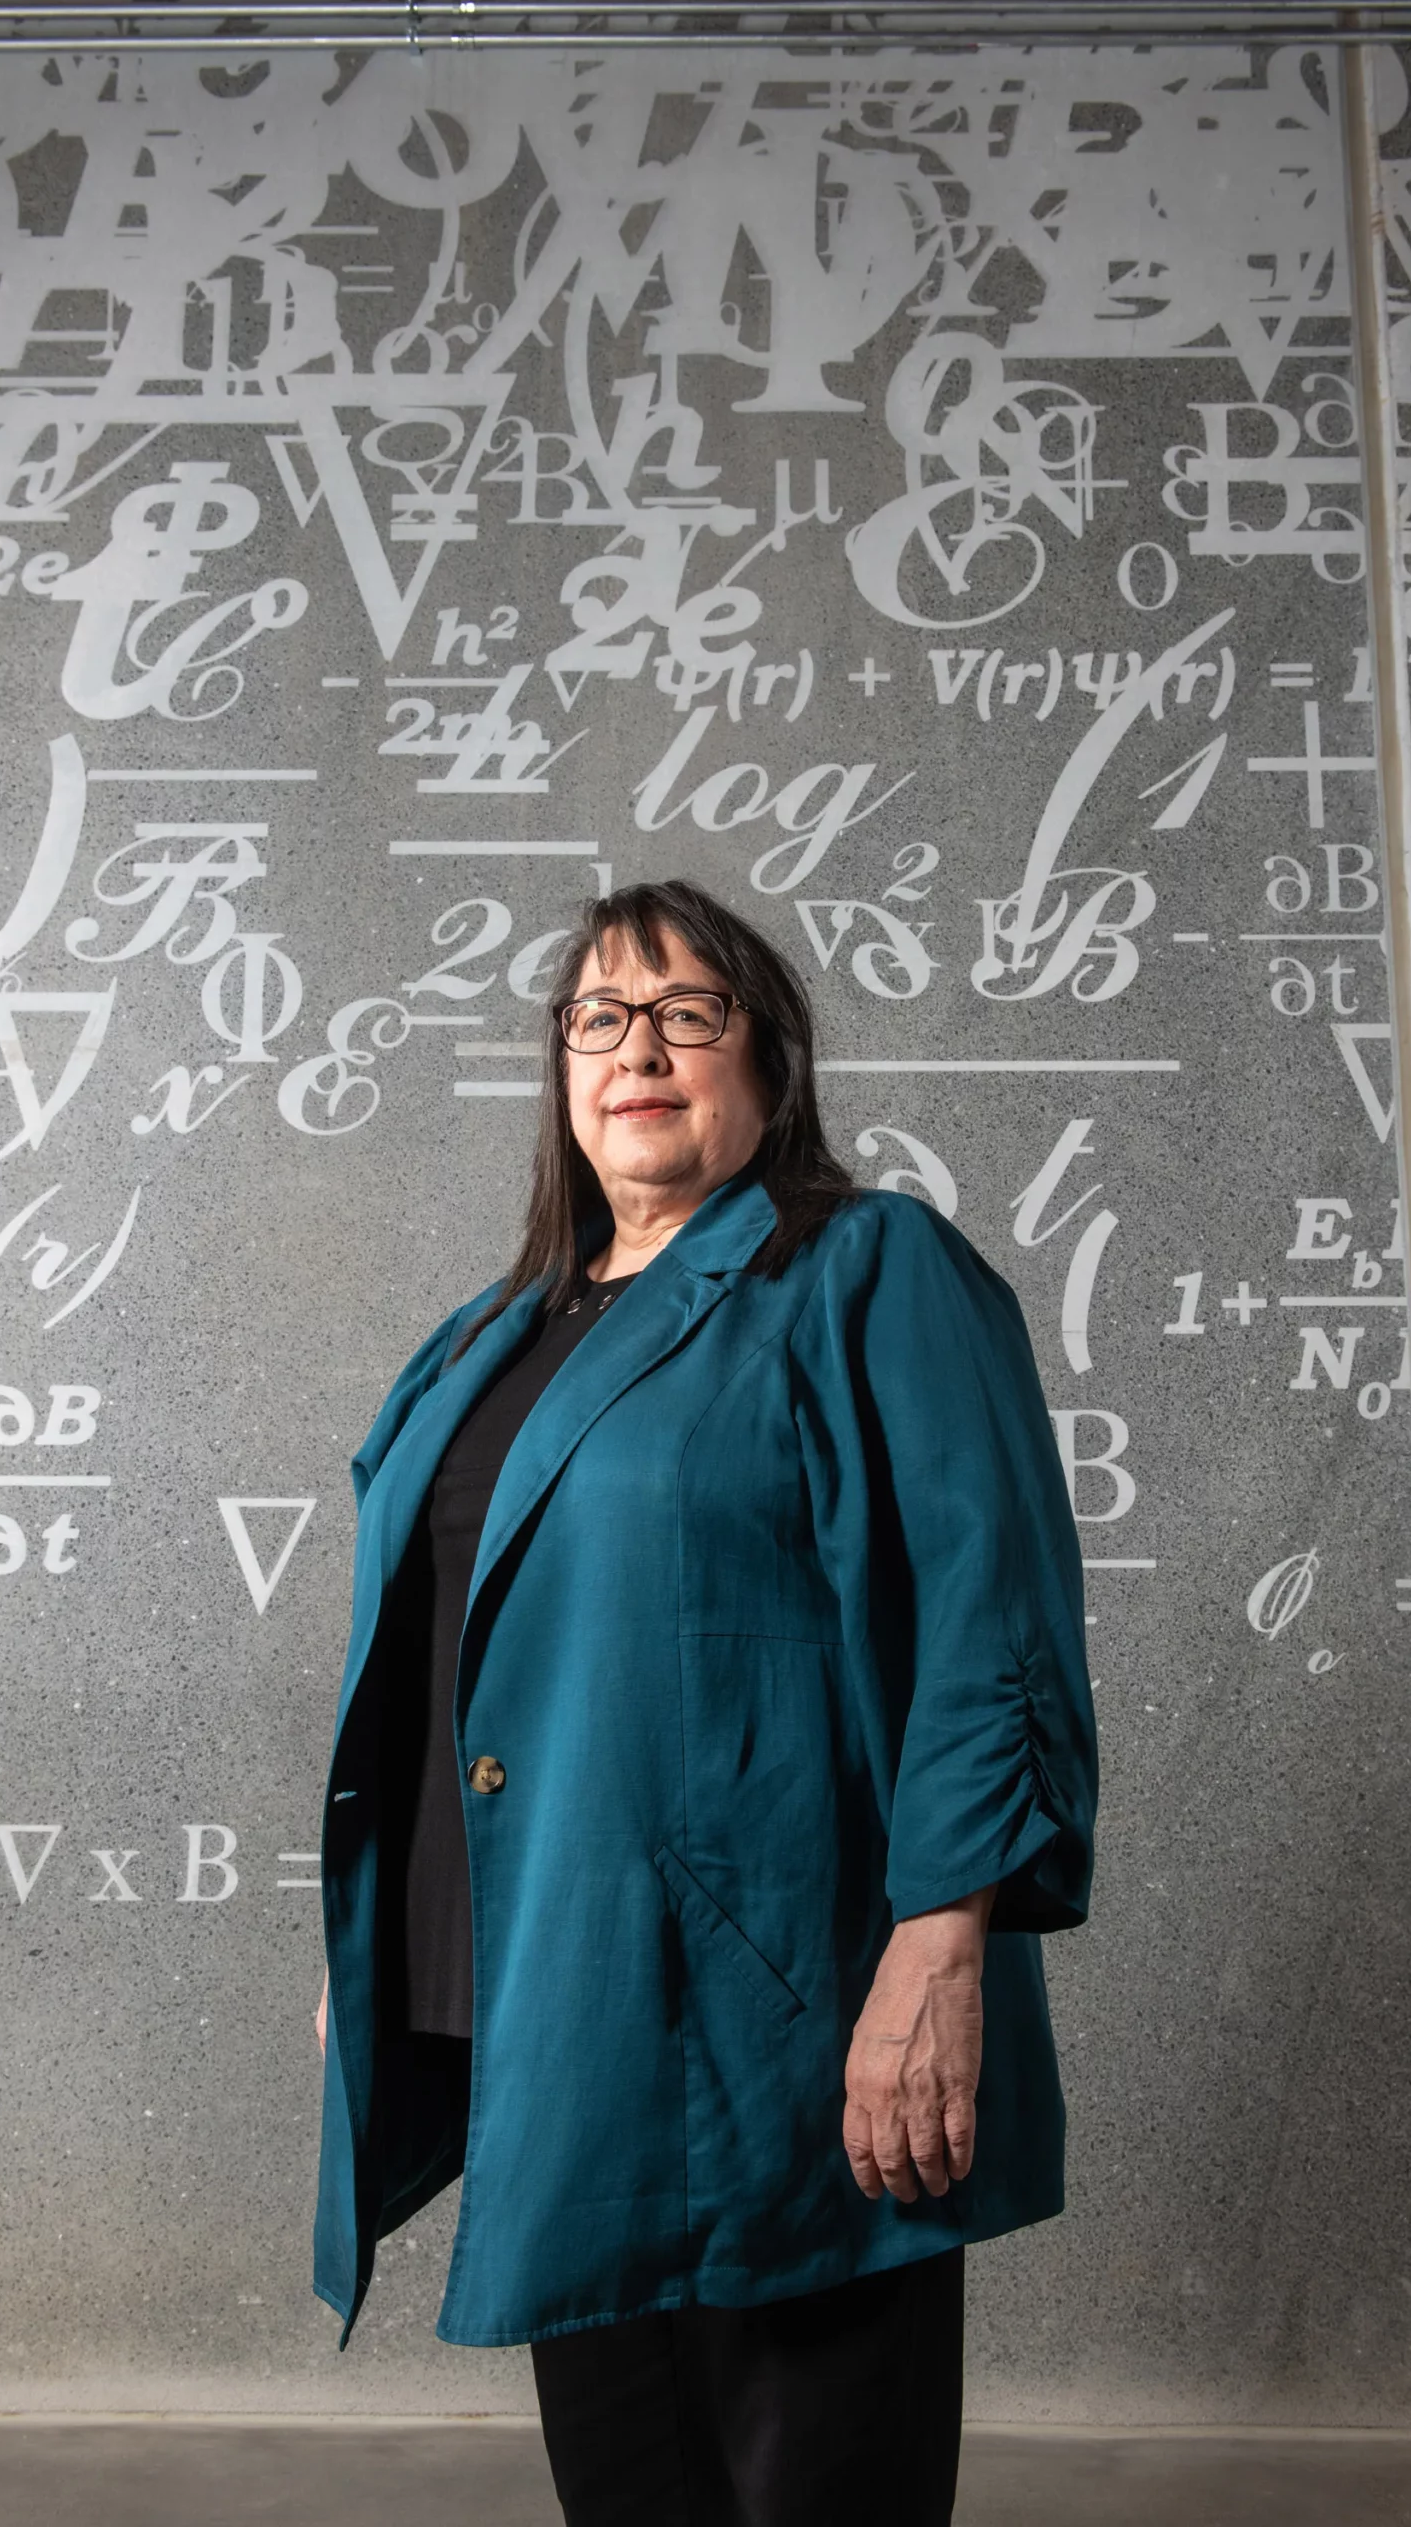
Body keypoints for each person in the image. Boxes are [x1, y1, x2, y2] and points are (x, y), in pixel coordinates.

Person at [313, 879, 1098, 2527]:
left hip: (786, 2005)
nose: (637, 1049)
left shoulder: (862, 1268)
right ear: (559, 1070)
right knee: (631, 2492)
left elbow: (989, 1618)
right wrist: (380, 1944)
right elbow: (436, 1671)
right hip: (551, 2006)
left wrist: (938, 1944)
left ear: (770, 1060)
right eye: (598, 1017)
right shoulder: (491, 1336)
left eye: (689, 1013)